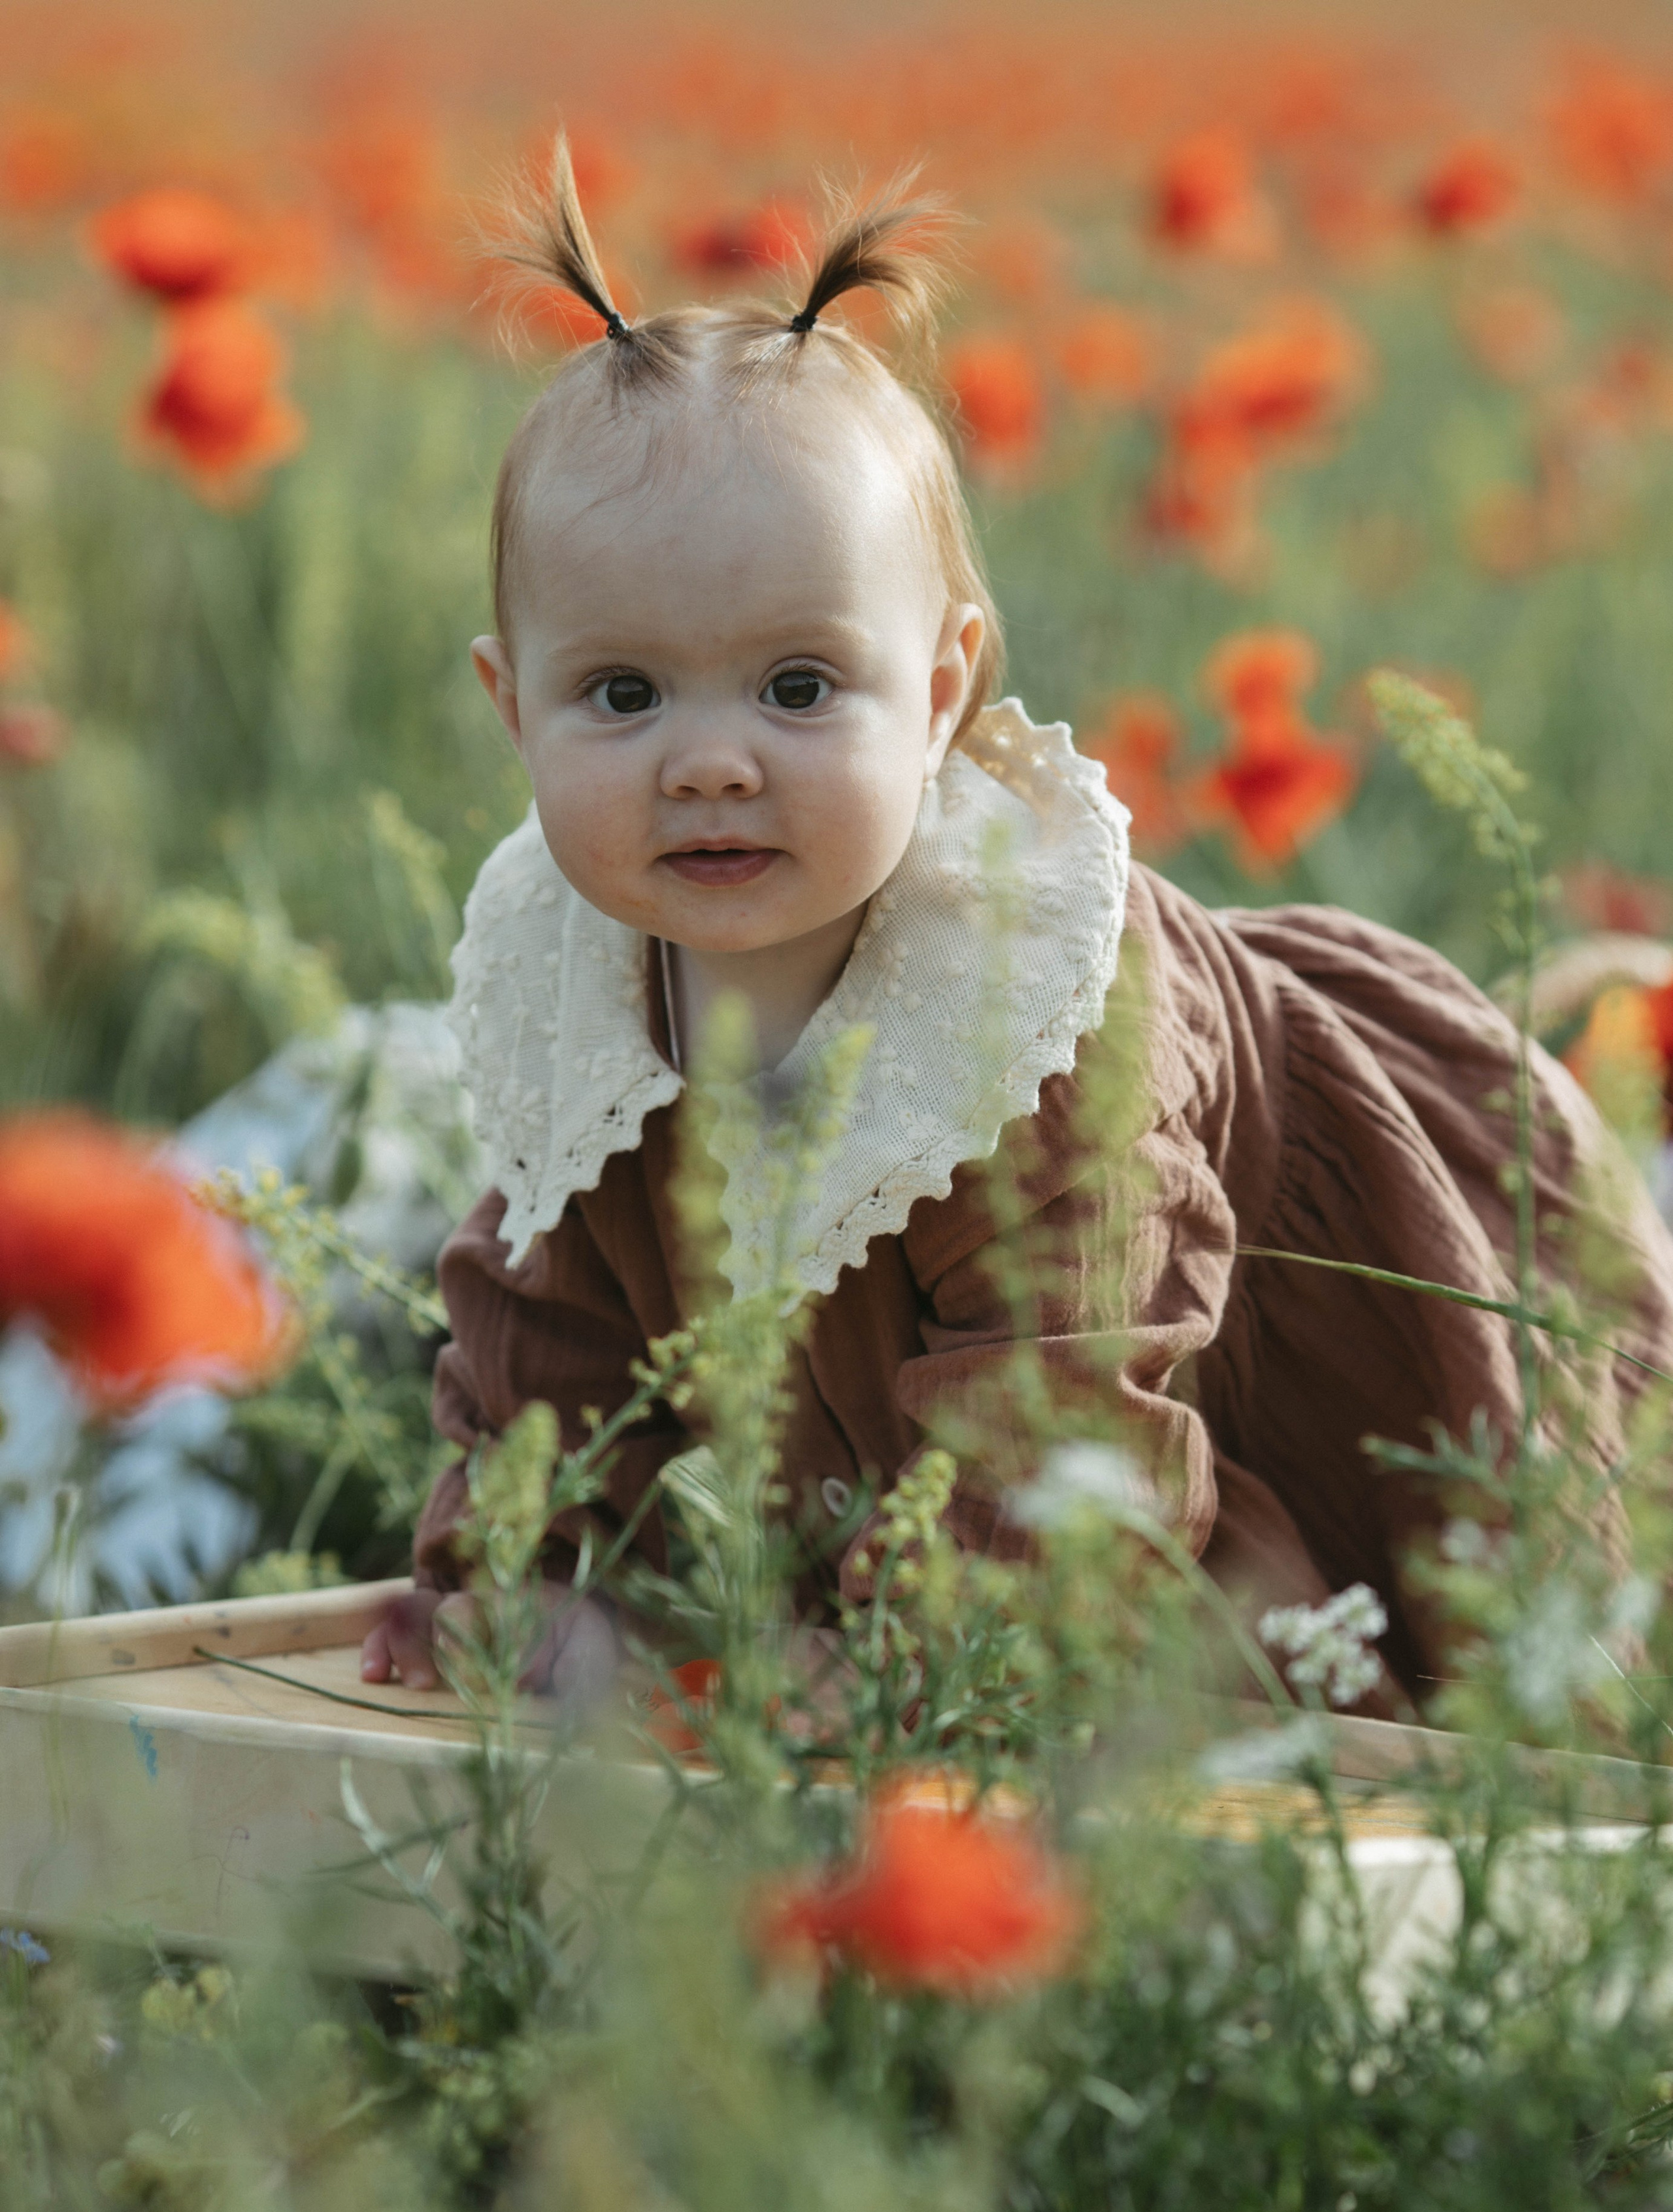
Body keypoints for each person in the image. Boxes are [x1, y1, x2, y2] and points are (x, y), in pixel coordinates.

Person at [361, 142, 1673, 1718]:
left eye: (797, 687)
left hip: (1267, 1343)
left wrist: (925, 1664)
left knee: (1451, 1665)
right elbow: (542, 1343)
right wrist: (513, 1596)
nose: (710, 759)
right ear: (514, 709)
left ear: (936, 694)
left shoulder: (1026, 1004)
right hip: (949, 1446)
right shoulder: (576, 992)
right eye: (621, 695)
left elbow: (1068, 1398)